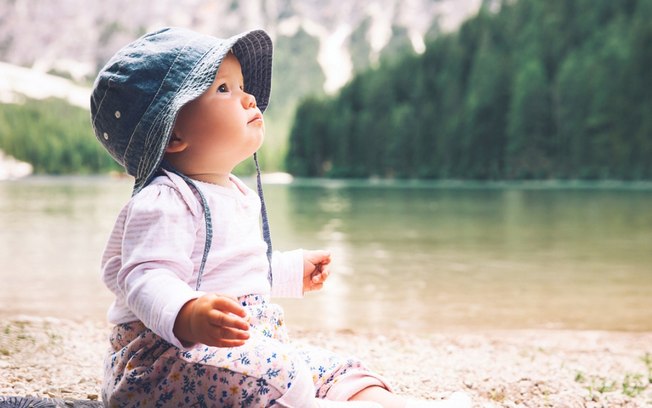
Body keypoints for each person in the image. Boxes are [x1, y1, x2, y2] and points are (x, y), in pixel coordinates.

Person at [91, 27, 472, 408]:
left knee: (337, 370)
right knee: (283, 374)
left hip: (230, 355)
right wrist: (187, 314)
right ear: (172, 135)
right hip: (162, 365)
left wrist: (289, 271)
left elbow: (233, 270)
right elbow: (145, 276)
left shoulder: (233, 194)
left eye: (242, 86)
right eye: (224, 89)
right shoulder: (164, 200)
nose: (248, 97)